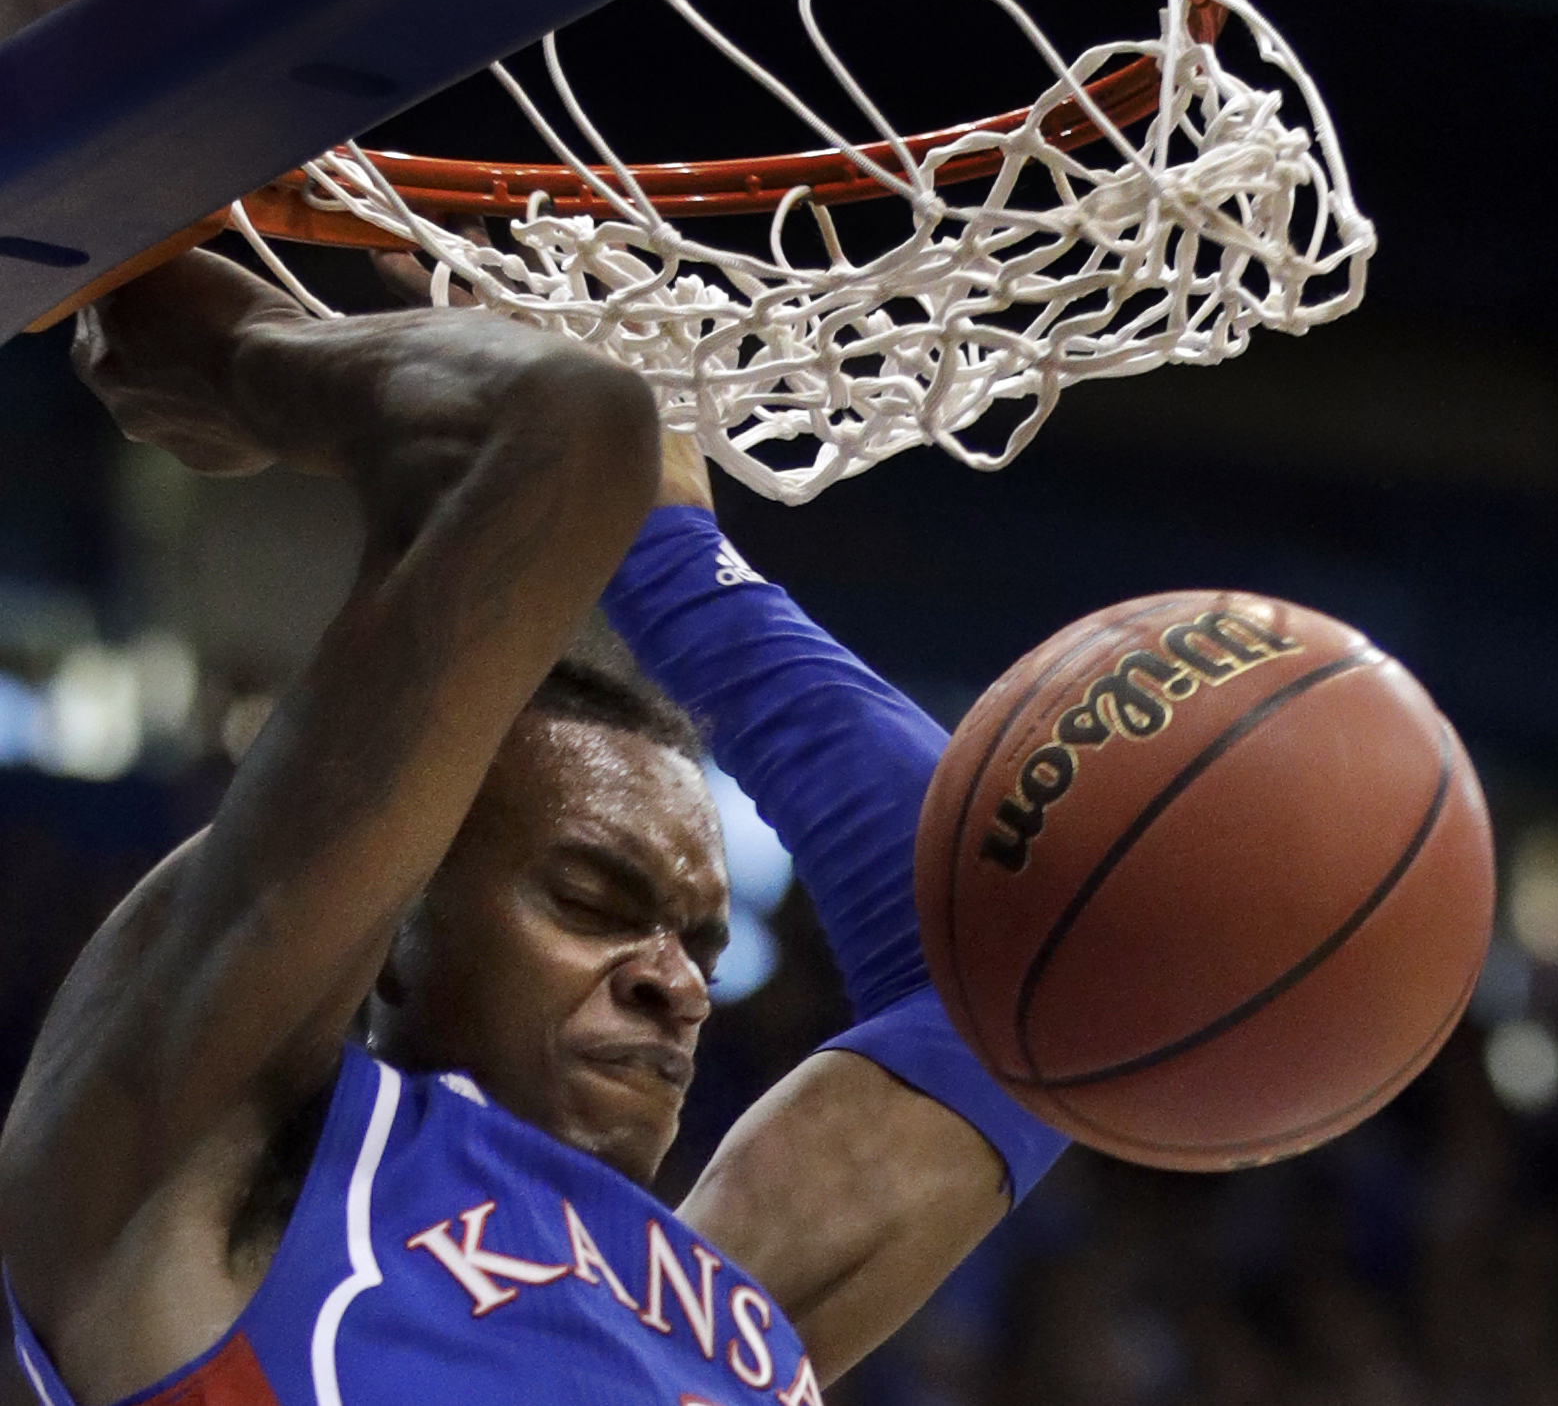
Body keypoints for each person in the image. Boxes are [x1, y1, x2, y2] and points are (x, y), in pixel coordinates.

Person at [0, 249, 1067, 1406]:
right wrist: (238, 358)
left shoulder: (710, 1321)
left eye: (703, 948)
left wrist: (681, 565)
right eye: (592, 903)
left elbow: (1022, 956)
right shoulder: (195, 1150)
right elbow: (558, 429)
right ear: (392, 931)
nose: (678, 985)